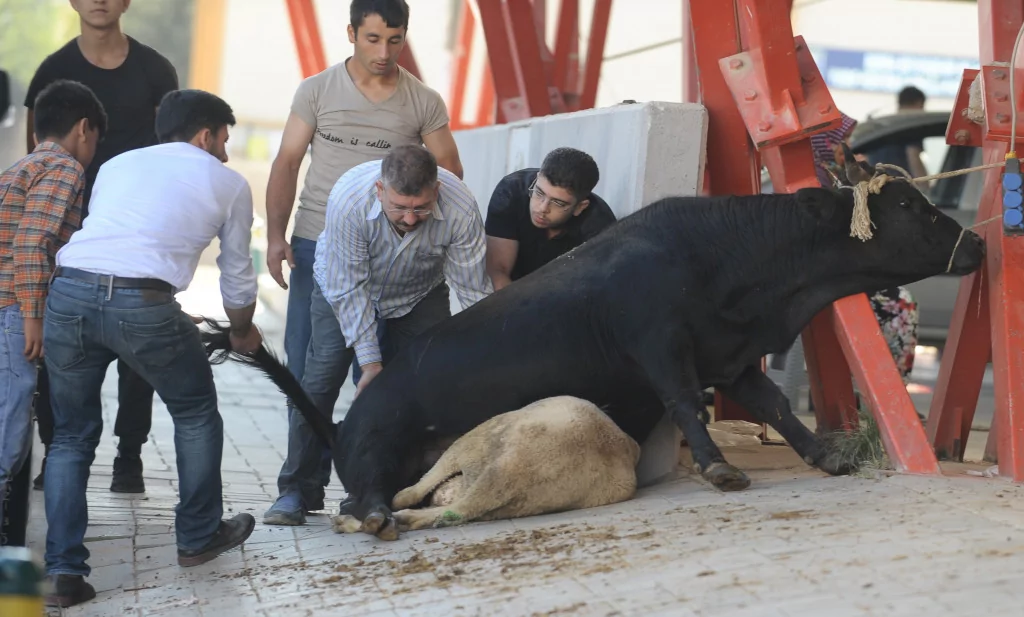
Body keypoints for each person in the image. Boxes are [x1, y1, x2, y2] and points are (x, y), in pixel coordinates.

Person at [40, 89, 259, 608]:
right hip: (144, 303)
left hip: (68, 291)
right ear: (205, 135)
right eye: (224, 141)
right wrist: (243, 329)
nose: (226, 154)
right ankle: (199, 535)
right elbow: (236, 280)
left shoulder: (116, 164)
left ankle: (63, 572)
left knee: (70, 437)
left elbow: (113, 236)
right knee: (195, 411)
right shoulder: (229, 183)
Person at [265, 0, 463, 509]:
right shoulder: (317, 90)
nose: (384, 51)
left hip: (395, 247)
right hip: (318, 244)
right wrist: (276, 236)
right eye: (373, 39)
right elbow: (287, 162)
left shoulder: (422, 101)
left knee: (385, 376)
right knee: (316, 372)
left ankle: (372, 488)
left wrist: (424, 235)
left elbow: (449, 173)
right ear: (351, 32)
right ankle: (299, 488)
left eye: (394, 40)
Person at [263, 144, 492, 526]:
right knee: (318, 383)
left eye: (420, 208)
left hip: (420, 294)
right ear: (379, 190)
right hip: (345, 290)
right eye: (400, 207)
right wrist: (370, 362)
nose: (411, 218)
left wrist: (481, 358)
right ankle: (296, 490)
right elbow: (349, 286)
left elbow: (471, 291)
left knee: (422, 389)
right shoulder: (349, 199)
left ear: (436, 190)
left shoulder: (461, 207)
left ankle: (385, 492)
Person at [24, 0, 180, 494]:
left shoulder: (156, 70)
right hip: (67, 227)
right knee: (57, 349)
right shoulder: (53, 71)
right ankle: (58, 451)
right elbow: (39, 153)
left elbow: (169, 149)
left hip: (136, 228)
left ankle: (128, 456)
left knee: (141, 348)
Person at [0, 80, 105, 548]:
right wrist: (33, 317)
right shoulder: (64, 168)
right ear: (84, 128)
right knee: (8, 432)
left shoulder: (21, 166)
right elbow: (30, 242)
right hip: (13, 313)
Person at [485, 147, 617, 290]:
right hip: (507, 295)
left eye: (558, 203)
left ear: (580, 207)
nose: (542, 208)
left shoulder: (599, 226)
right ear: (537, 178)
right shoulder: (511, 192)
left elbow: (592, 291)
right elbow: (498, 271)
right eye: (539, 193)